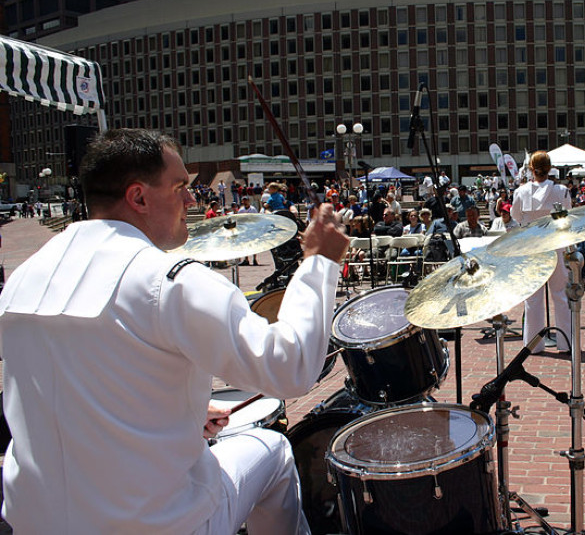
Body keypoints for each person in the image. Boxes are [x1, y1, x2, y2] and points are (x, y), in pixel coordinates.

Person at [0, 129, 350, 534]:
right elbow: (290, 368)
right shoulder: (167, 281)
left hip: (35, 522)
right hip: (158, 525)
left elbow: (77, 388)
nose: (192, 200)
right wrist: (320, 262)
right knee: (273, 450)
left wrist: (182, 414)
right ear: (139, 197)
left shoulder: (23, 279)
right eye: (180, 187)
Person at [511, 151, 572, 354]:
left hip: (532, 247)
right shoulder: (561, 191)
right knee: (561, 295)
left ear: (531, 168)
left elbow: (516, 216)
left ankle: (533, 345)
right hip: (554, 245)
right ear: (550, 167)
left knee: (532, 299)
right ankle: (566, 342)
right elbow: (567, 214)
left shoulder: (521, 192)